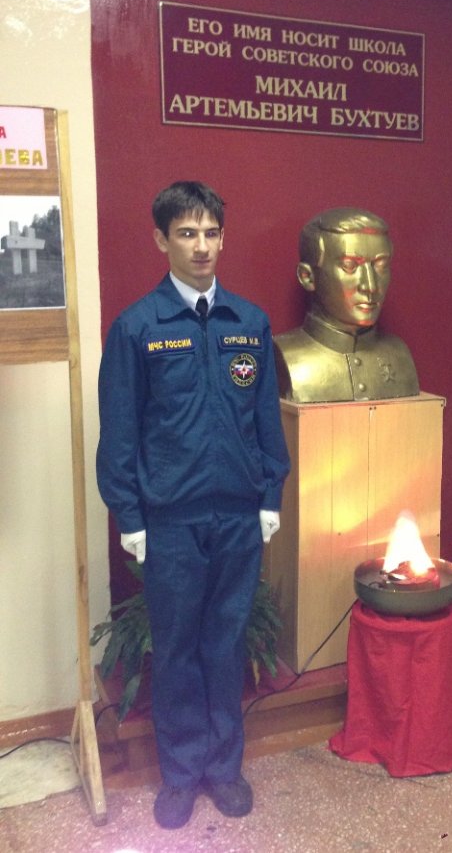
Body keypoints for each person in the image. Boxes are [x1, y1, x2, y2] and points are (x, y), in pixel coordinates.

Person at [96, 181, 290, 829]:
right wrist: (129, 514)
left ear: (222, 238)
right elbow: (120, 432)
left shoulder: (248, 323)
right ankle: (180, 774)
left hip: (236, 515)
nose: (201, 246)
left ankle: (223, 768)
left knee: (225, 644)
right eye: (186, 233)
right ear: (161, 240)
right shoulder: (137, 327)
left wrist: (270, 493)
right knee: (178, 649)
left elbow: (266, 419)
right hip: (171, 521)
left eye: (210, 233)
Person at [274, 207, 419, 402]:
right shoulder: (284, 355)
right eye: (350, 266)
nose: (370, 286)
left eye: (381, 266)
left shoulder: (400, 355)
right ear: (308, 277)